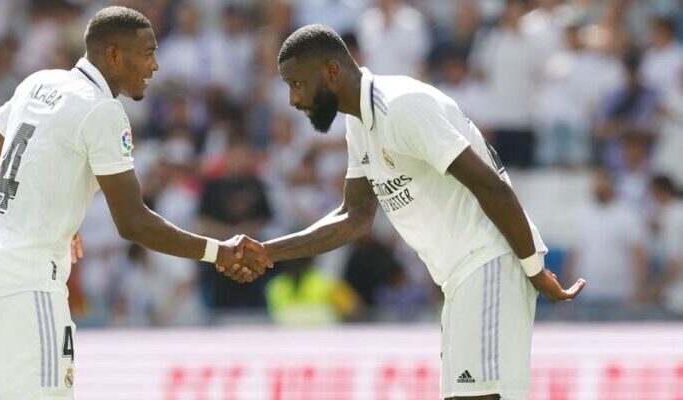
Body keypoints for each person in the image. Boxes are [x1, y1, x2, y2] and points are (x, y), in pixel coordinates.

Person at [221, 24, 586, 400]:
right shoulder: (359, 122)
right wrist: (269, 251)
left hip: (490, 261)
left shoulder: (400, 106)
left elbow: (491, 185)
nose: (293, 100)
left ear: (331, 71)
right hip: (461, 278)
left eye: (296, 83)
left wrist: (533, 268)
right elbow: (355, 217)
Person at [0, 7, 270, 399]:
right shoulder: (103, 110)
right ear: (113, 55)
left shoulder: (40, 82)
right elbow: (133, 222)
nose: (155, 65)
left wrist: (51, 214)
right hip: (28, 286)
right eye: (147, 53)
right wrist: (219, 252)